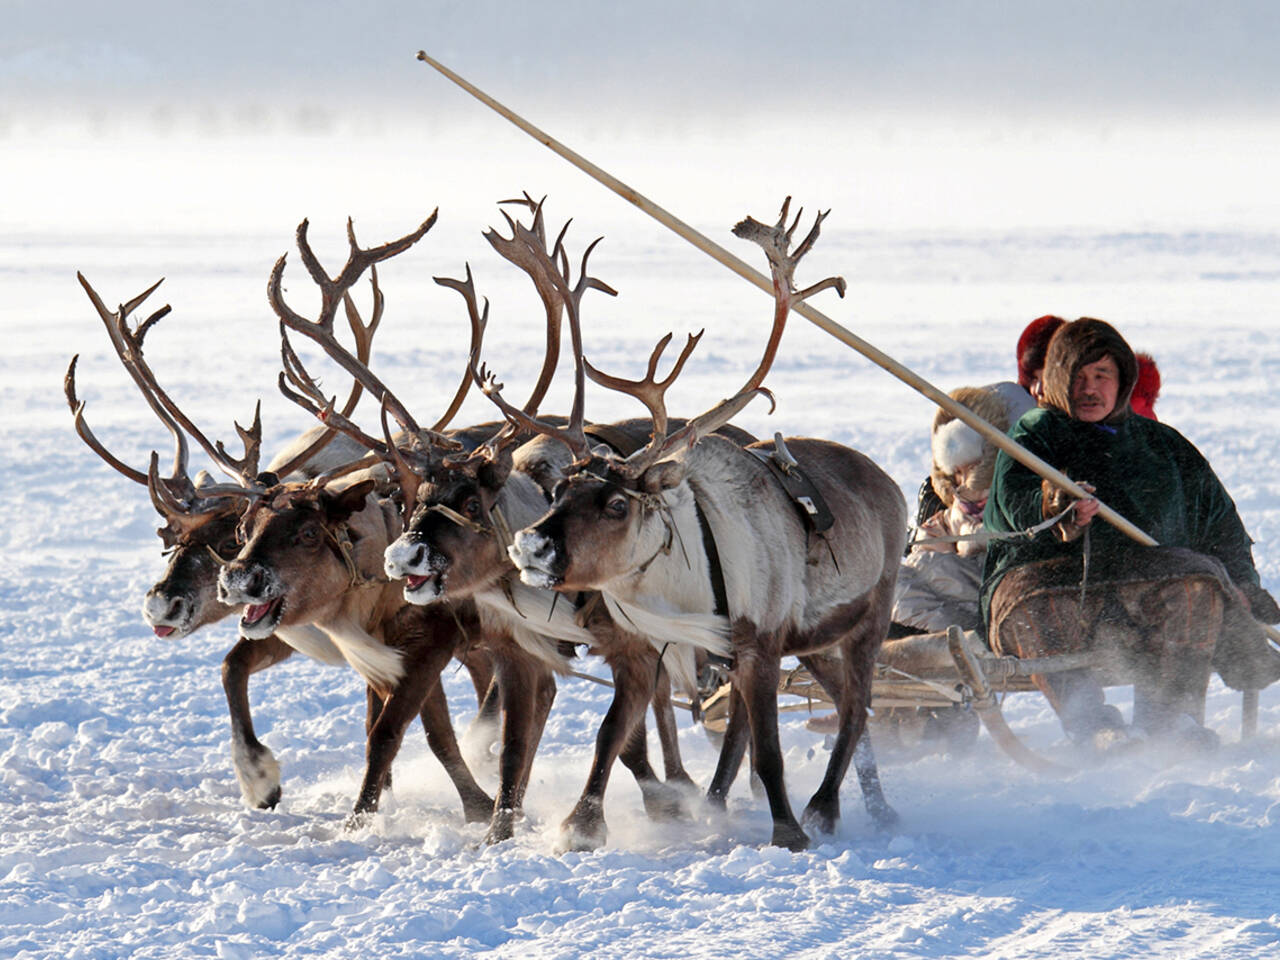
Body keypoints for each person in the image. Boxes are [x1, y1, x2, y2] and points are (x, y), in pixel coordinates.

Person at [980, 317, 1279, 751]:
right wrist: (1055, 508)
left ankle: (1172, 721)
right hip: (1051, 583)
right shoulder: (1032, 437)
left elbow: (1221, 527)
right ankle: (1092, 727)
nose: (1089, 388)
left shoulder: (1164, 446)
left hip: (1141, 592)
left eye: (1102, 375)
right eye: (1078, 376)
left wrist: (1243, 584)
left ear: (1122, 380)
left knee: (1198, 584)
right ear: (1058, 379)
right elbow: (1012, 505)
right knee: (1031, 607)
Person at [893, 384, 1033, 633]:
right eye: (955, 471)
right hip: (946, 604)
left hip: (985, 604)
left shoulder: (1015, 503)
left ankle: (957, 644)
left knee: (904, 583)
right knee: (888, 582)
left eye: (970, 467)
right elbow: (925, 553)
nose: (961, 481)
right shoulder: (954, 512)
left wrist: (974, 541)